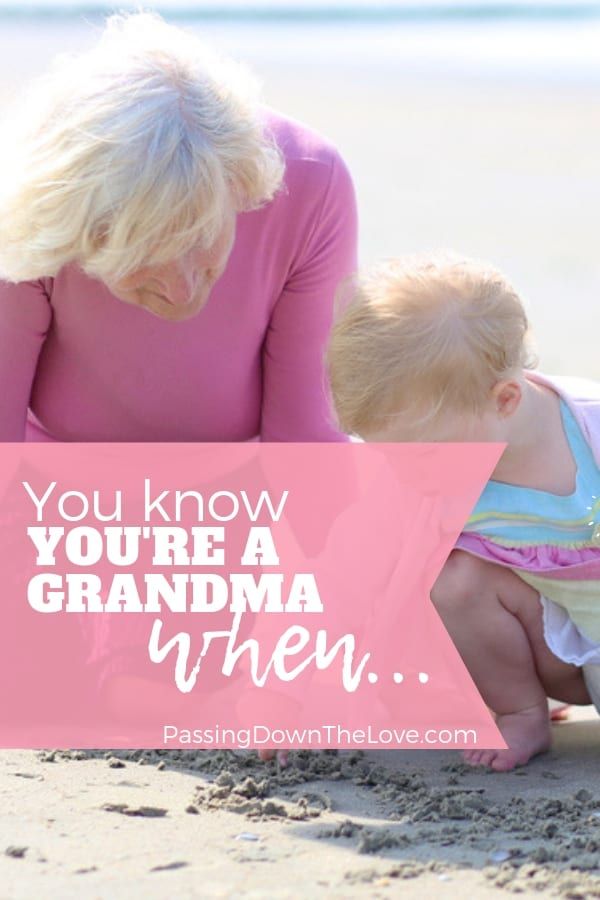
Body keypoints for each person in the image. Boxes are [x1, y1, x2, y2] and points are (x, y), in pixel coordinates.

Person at [0, 12, 357, 762]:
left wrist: (299, 632)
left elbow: (304, 436)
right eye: (140, 257)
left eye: (201, 242)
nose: (181, 287)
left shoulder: (311, 181)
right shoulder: (35, 208)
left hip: (231, 492)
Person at [327, 253, 600, 771]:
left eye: (420, 456)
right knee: (456, 580)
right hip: (559, 652)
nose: (404, 475)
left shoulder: (589, 435)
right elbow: (341, 574)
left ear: (505, 400)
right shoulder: (428, 468)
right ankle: (520, 711)